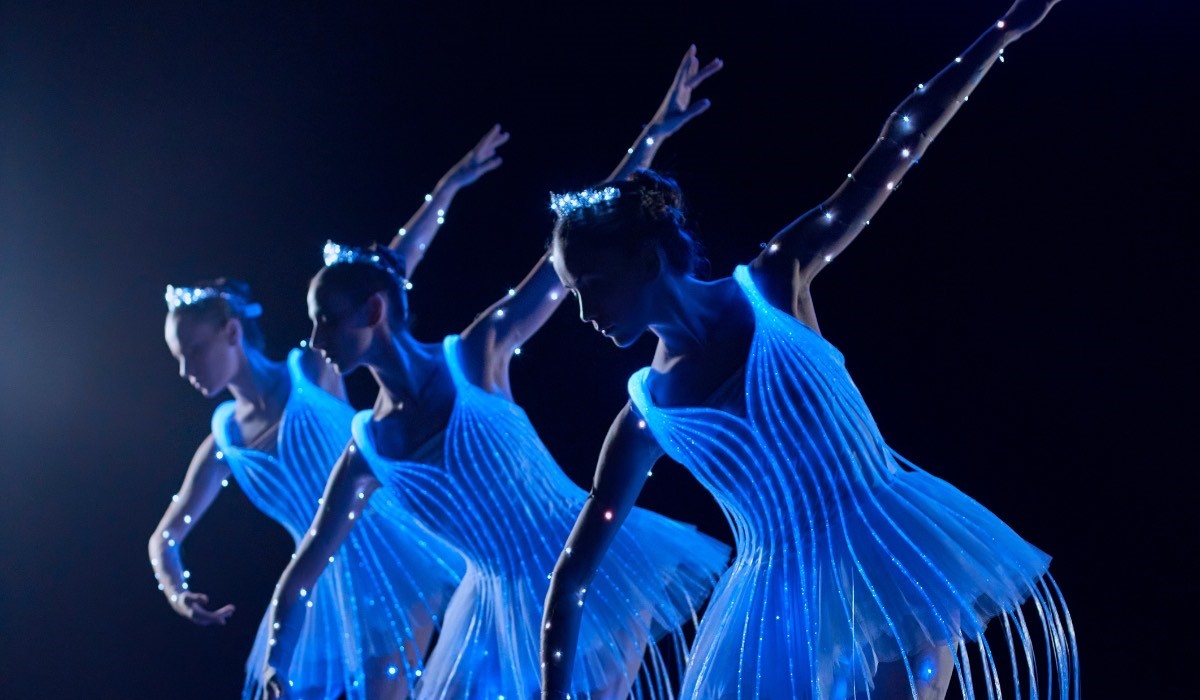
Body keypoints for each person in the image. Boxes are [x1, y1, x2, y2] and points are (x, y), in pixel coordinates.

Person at [542, 3, 1077, 699]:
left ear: (648, 261)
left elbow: (896, 147)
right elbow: (573, 572)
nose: (582, 313)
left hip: (891, 544)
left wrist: (1003, 32)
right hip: (776, 609)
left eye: (591, 286)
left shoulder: (773, 283)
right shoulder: (647, 414)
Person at [261, 48, 731, 700]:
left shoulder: (477, 352)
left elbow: (563, 256)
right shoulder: (366, 450)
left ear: (373, 311)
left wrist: (652, 134)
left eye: (326, 321)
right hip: (486, 614)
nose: (314, 339)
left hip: (587, 572)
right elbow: (306, 565)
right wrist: (274, 664)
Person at [151, 126, 509, 699]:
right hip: (321, 586)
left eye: (193, 350)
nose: (186, 369)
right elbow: (166, 535)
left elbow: (387, 273)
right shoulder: (224, 441)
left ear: (231, 332)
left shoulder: (312, 369)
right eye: (178, 357)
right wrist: (175, 590)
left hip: (395, 550)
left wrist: (448, 188)